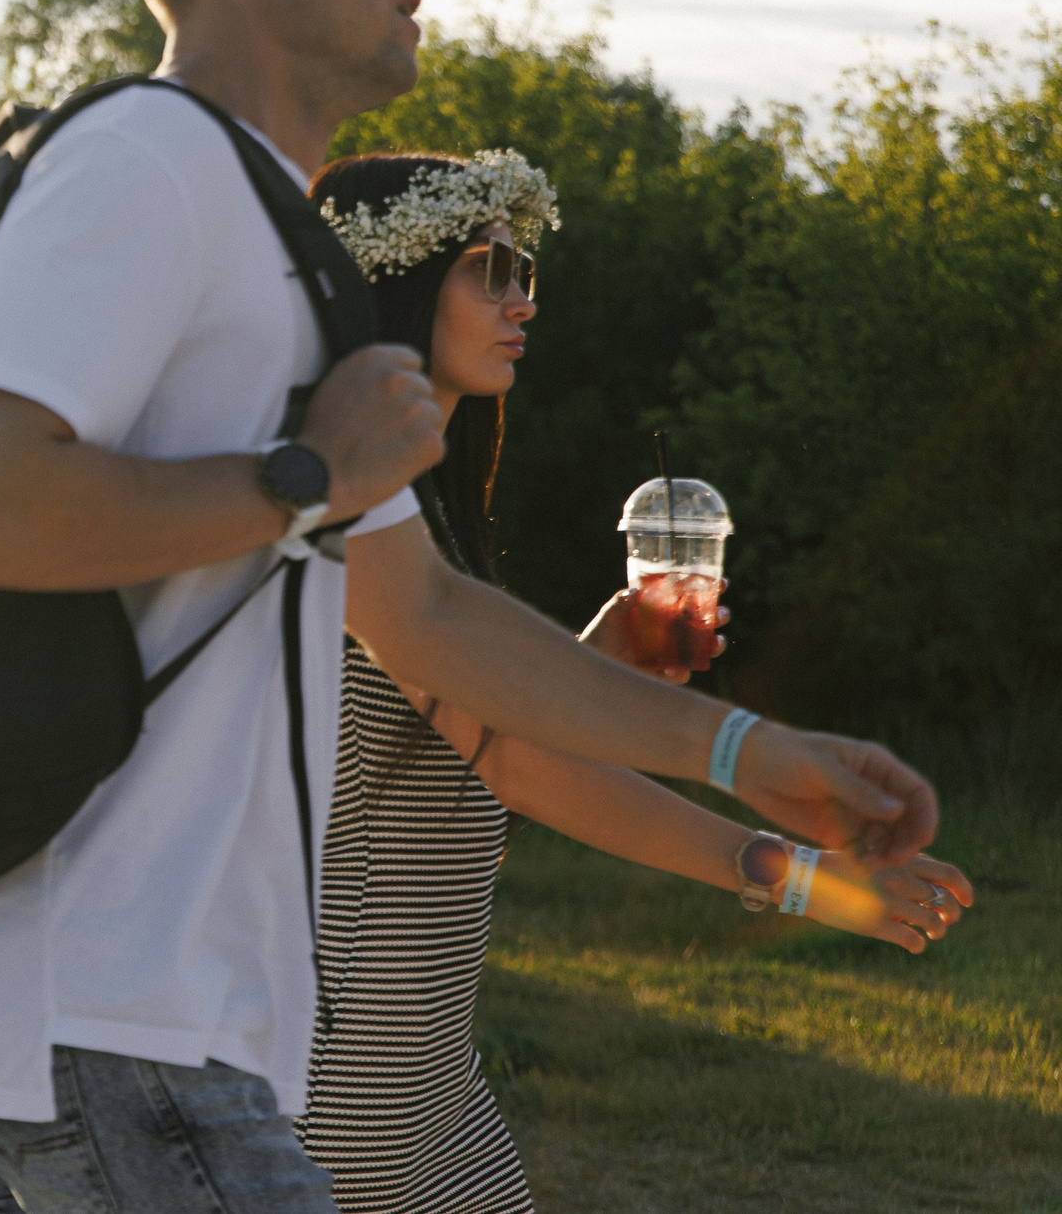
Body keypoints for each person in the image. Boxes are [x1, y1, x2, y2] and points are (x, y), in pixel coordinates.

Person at [0, 0, 939, 1214]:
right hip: (106, 1024)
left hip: (191, 1039)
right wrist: (305, 472)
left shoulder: (275, 261)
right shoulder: (143, 158)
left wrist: (751, 748)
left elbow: (433, 622)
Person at [295, 150, 975, 1214]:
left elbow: (449, 757)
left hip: (429, 1089)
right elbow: (515, 759)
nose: (523, 299)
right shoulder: (341, 503)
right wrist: (806, 873)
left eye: (526, 270)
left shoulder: (417, 517)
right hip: (333, 1088)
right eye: (490, 267)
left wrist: (595, 661)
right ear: (395, 278)